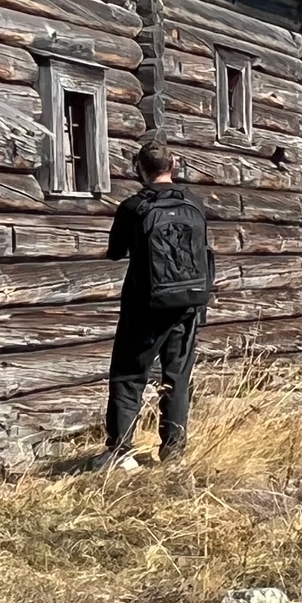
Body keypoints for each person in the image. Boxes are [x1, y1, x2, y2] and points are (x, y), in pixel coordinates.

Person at [103, 139, 216, 466]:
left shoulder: (132, 208)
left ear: (139, 169)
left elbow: (115, 252)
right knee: (177, 377)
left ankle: (121, 452)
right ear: (174, 164)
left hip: (144, 307)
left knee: (128, 376)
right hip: (187, 305)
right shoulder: (194, 203)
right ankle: (173, 452)